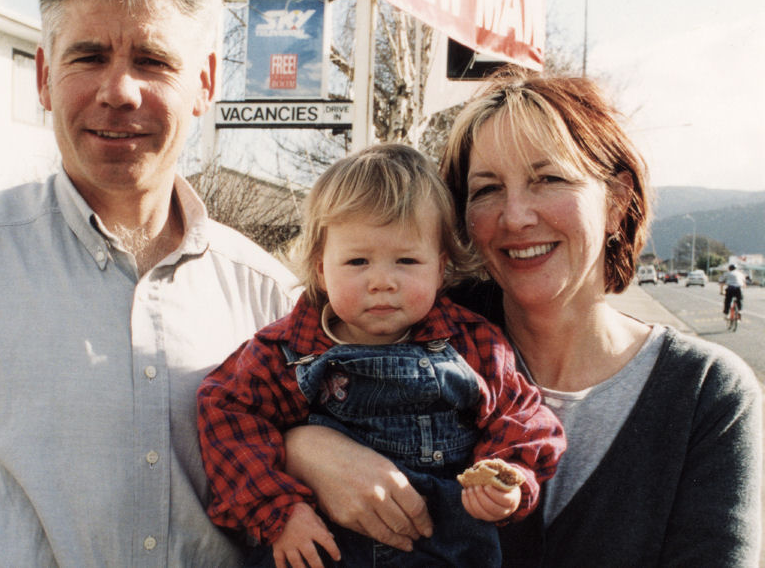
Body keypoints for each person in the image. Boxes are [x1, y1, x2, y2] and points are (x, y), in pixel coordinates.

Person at [0, 0, 298, 566]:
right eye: (89, 57)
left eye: (153, 60)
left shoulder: (270, 301)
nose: (119, 91)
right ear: (44, 77)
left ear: (205, 83)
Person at [283, 73, 762, 568]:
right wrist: (303, 448)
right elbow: (250, 396)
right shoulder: (404, 329)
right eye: (487, 189)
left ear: (616, 201)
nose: (515, 217)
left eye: (548, 179)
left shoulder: (707, 393)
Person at [197, 143, 565, 568]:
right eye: (357, 261)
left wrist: (507, 477)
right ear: (321, 268)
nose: (382, 281)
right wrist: (279, 512)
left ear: (440, 268)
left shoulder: (472, 344)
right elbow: (225, 411)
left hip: (443, 552)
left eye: (406, 260)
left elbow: (523, 418)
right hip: (320, 551)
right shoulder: (286, 352)